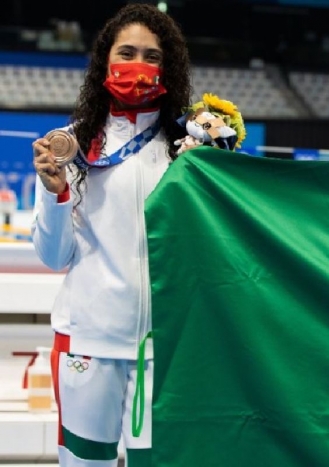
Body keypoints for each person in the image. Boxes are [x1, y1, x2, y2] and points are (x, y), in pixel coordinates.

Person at [30, 4, 191, 466]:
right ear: (105, 61)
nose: (138, 66)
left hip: (164, 348)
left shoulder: (188, 149)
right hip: (88, 342)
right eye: (127, 53)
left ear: (168, 68)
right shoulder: (74, 145)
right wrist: (56, 193)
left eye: (152, 56)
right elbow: (54, 256)